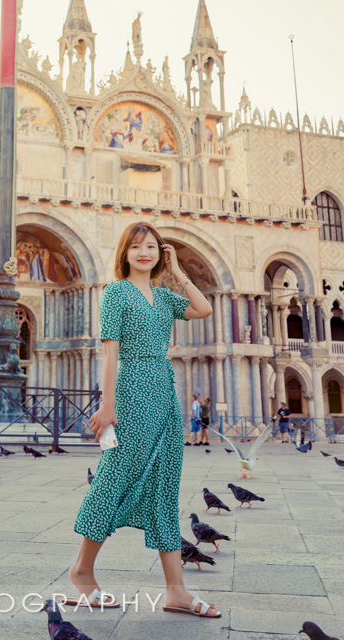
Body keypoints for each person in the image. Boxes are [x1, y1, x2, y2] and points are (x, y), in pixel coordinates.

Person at [69, 221, 220, 618]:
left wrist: (178, 271)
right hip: (131, 390)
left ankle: (176, 590)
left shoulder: (164, 296)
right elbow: (110, 353)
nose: (143, 252)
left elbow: (204, 308)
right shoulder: (116, 293)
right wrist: (107, 405)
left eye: (151, 246)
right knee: (114, 479)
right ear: (125, 253)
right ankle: (82, 572)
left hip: (165, 394)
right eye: (135, 246)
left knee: (165, 484)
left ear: (159, 253)